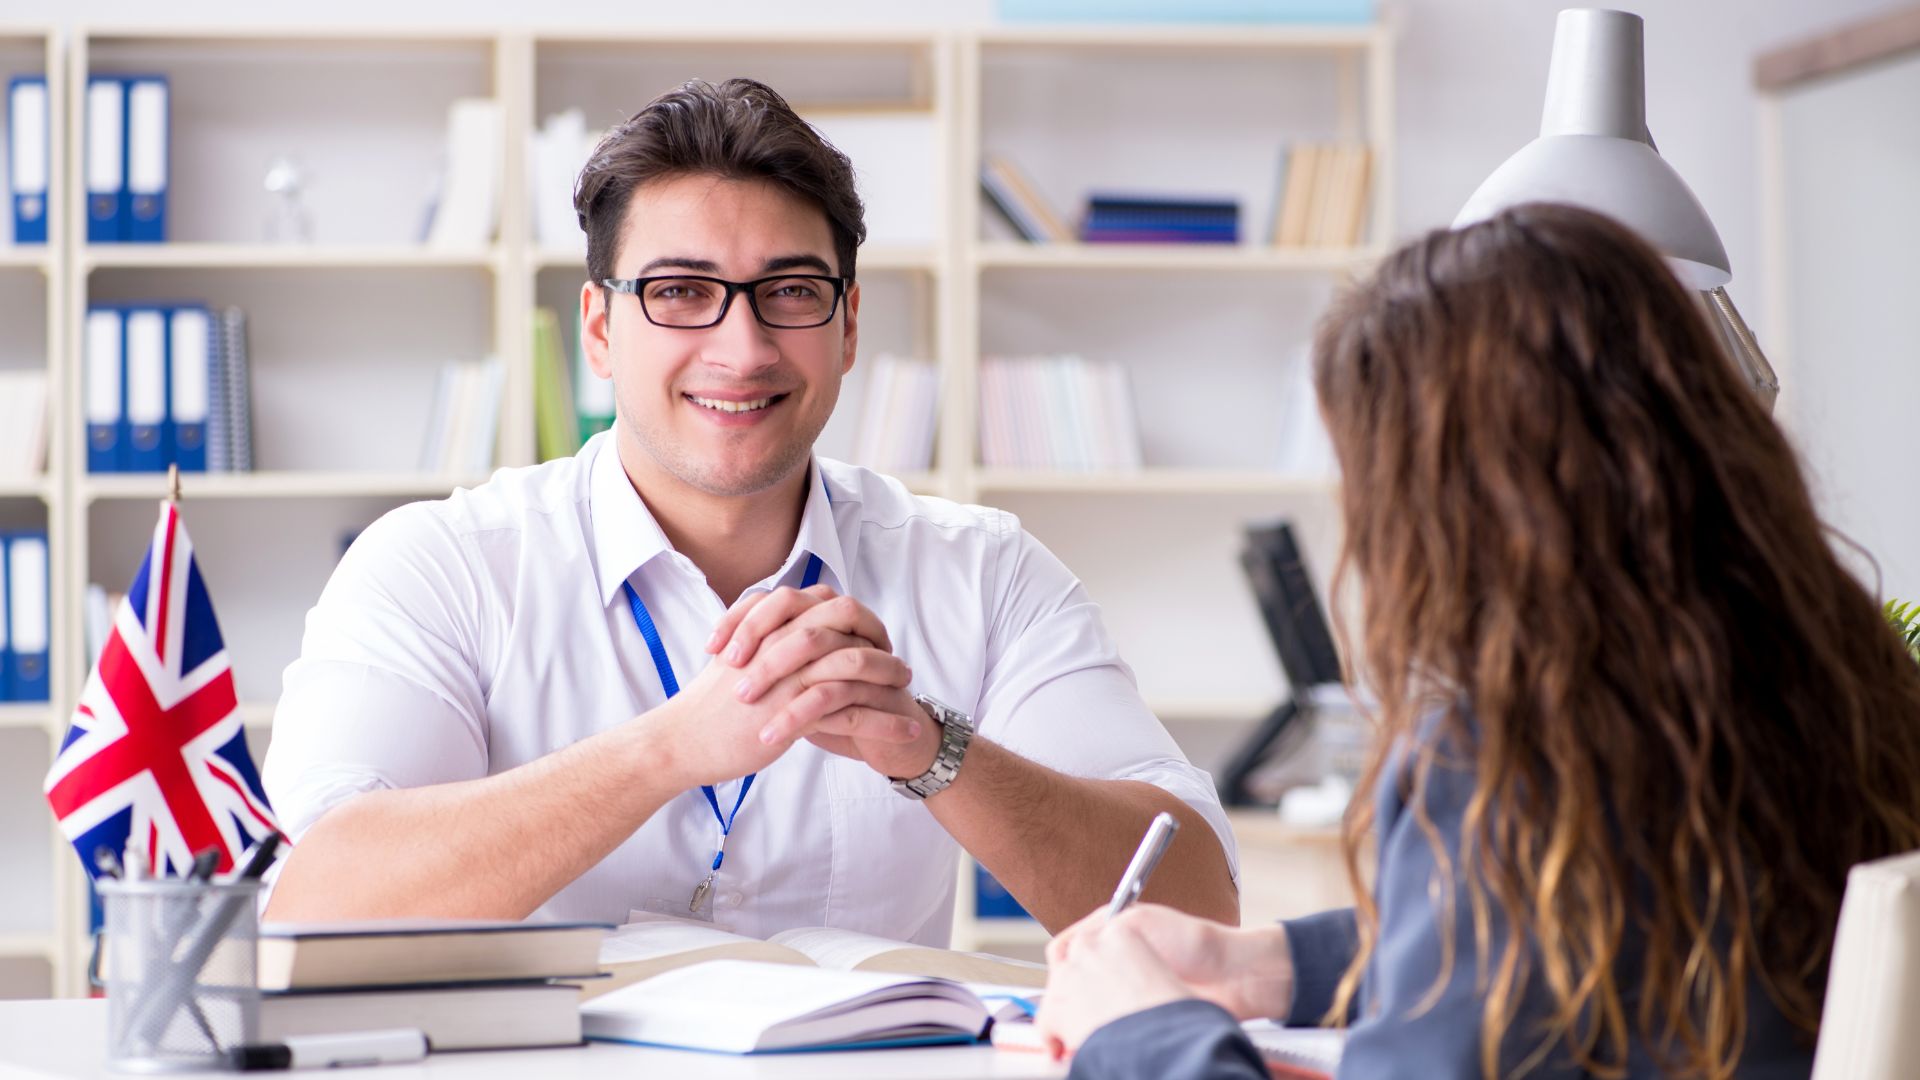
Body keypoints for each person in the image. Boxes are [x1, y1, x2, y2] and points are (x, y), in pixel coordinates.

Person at [257, 77, 1238, 941]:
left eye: (791, 292)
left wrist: (932, 751)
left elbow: (1195, 906)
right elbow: (315, 904)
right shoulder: (442, 565)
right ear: (600, 328)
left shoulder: (979, 568)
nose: (744, 347)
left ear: (849, 327)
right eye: (682, 291)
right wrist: (671, 751)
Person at [1033, 203, 1920, 1078]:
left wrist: (1142, 1029)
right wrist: (1269, 964)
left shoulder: (1508, 763)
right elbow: (1564, 939)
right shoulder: (1839, 686)